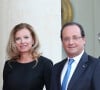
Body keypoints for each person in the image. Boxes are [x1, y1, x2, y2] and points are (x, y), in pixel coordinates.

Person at [50, 22, 100, 90]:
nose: (71, 42)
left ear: (84, 40)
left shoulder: (96, 65)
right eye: (66, 39)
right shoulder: (56, 68)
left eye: (75, 38)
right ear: (62, 42)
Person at [3, 23, 53, 90]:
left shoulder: (45, 64)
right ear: (14, 42)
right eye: (18, 39)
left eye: (26, 37)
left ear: (33, 40)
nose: (22, 41)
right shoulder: (9, 64)